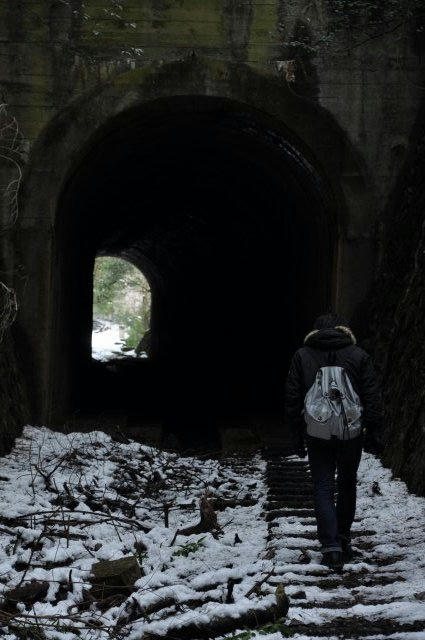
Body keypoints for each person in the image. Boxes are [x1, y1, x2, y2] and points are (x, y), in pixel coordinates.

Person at [285, 313, 383, 570]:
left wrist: (296, 432)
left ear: (315, 332)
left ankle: (330, 547)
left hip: (317, 431)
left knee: (323, 486)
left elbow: (293, 396)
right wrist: (374, 429)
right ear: (343, 330)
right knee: (347, 482)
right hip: (351, 431)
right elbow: (371, 394)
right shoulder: (358, 355)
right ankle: (343, 537)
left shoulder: (302, 356)